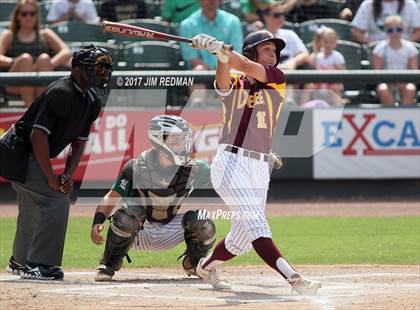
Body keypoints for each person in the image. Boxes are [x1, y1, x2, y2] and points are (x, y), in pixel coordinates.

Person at [189, 30, 322, 294]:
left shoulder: (276, 78)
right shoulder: (237, 83)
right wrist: (220, 56)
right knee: (258, 224)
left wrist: (222, 51)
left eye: (275, 51)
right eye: (267, 50)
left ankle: (205, 266)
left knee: (241, 240)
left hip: (260, 168)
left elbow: (246, 65)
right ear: (251, 51)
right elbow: (225, 80)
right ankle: (294, 278)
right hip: (230, 163)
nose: (274, 56)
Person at [4, 45, 113, 280]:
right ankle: (41, 265)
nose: (102, 72)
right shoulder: (61, 92)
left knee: (34, 204)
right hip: (15, 152)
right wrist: (52, 178)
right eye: (96, 67)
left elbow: (79, 142)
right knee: (55, 199)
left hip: (26, 153)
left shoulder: (91, 101)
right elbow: (37, 135)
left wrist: (67, 174)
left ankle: (19, 262)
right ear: (76, 69)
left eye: (105, 68)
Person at [91, 115, 217, 281]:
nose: (183, 144)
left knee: (203, 222)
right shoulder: (136, 167)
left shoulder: (195, 168)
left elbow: (222, 178)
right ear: (159, 140)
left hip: (171, 230)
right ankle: (109, 263)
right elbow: (112, 197)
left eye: (184, 139)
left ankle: (192, 264)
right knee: (128, 215)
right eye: (176, 139)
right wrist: (97, 221)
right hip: (139, 231)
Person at [0, 0, 71, 107]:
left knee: (43, 58)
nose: (28, 17)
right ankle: (30, 109)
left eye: (32, 13)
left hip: (41, 80)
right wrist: (19, 62)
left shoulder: (45, 33)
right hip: (14, 84)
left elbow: (66, 51)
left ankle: (41, 109)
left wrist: (48, 64)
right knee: (25, 59)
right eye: (24, 14)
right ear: (17, 16)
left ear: (37, 16)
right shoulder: (8, 35)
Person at [372, 15, 418, 105]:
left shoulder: (410, 48)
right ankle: (391, 116)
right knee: (382, 88)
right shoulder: (379, 49)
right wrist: (389, 82)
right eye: (390, 30)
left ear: (403, 29)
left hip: (406, 81)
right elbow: (377, 72)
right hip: (386, 82)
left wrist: (403, 82)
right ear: (385, 31)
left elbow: (414, 71)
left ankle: (404, 115)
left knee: (410, 88)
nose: (395, 33)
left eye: (398, 30)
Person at [305, 27, 346, 105]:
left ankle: (338, 106)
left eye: (331, 42)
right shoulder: (318, 55)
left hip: (332, 82)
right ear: (321, 42)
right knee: (308, 86)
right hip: (319, 82)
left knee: (336, 86)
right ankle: (303, 106)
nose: (328, 45)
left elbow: (343, 71)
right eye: (325, 42)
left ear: (335, 43)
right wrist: (315, 50)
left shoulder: (337, 56)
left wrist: (335, 68)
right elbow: (309, 62)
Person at [263, 3, 309, 70]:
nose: (281, 18)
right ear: (266, 17)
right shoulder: (259, 36)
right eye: (277, 15)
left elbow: (304, 54)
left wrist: (293, 62)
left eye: (283, 15)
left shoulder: (290, 34)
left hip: (287, 75)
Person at [351, 0, 420, 44]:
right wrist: (373, 45)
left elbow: (418, 30)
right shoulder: (368, 4)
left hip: (405, 51)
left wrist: (405, 45)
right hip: (375, 50)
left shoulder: (410, 4)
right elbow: (356, 32)